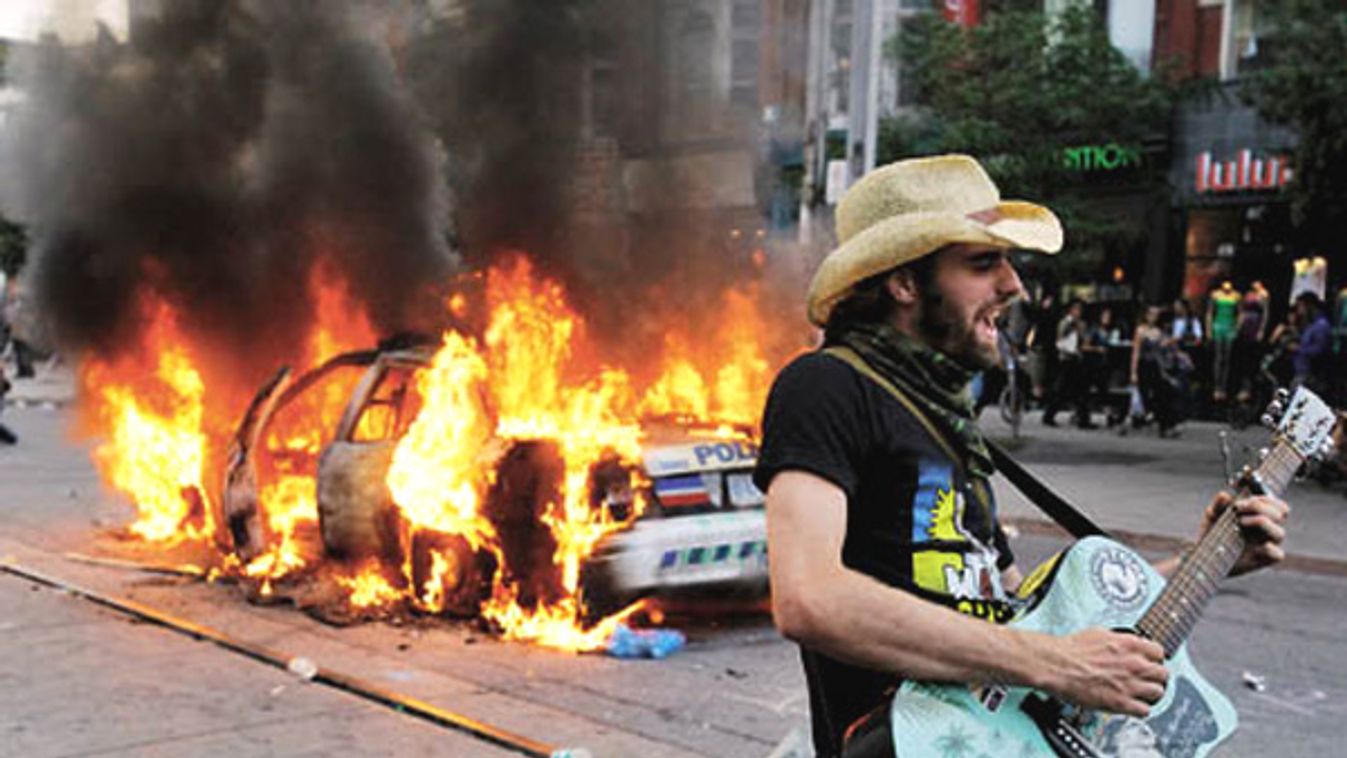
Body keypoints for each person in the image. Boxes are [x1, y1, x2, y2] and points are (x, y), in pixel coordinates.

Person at [754, 155, 1289, 757]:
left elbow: (1029, 612)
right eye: (984, 263)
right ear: (903, 282)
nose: (1013, 285)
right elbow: (809, 598)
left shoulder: (949, 422)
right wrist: (1054, 663)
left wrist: (1207, 560)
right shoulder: (827, 385)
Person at [1043, 298, 1094, 428]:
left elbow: (1084, 340)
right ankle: (1049, 415)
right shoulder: (1065, 323)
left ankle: (1083, 418)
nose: (1079, 312)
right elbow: (1060, 340)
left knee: (1079, 391)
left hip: (1076, 358)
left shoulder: (1080, 324)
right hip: (1067, 358)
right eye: (1077, 310)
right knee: (1062, 389)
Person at [1292, 292, 1332, 395]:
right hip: (1300, 372)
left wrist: (1298, 349)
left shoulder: (1321, 325)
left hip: (1309, 376)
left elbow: (1320, 350)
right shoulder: (1311, 325)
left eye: (1301, 307)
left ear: (1310, 306)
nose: (1300, 312)